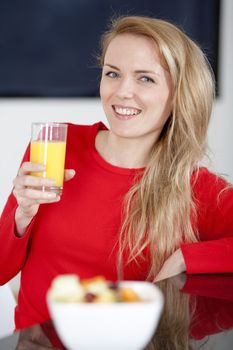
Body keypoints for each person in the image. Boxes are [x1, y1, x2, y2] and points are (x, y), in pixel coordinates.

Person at [0, 15, 233, 331]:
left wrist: (186, 259)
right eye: (113, 73)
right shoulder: (56, 147)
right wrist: (21, 215)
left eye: (145, 79)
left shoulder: (198, 189)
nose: (122, 92)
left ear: (180, 93)